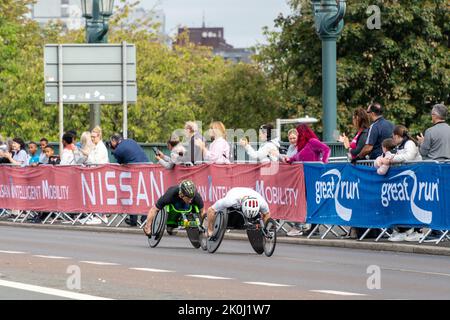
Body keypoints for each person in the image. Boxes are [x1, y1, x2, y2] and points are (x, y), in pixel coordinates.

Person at [109, 134, 150, 227]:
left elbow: (120, 163)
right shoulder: (131, 141)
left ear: (114, 141)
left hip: (134, 172)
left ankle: (133, 220)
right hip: (147, 168)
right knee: (144, 195)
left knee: (132, 195)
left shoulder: (118, 151)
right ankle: (145, 218)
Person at [205, 187, 272, 238]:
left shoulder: (262, 203)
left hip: (251, 193)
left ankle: (252, 217)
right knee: (226, 210)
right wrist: (210, 229)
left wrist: (265, 229)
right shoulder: (230, 201)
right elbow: (210, 210)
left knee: (264, 214)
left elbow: (267, 214)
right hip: (235, 192)